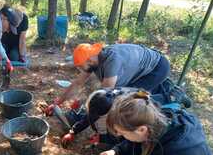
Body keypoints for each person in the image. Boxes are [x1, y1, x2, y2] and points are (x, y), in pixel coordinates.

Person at [43, 43, 191, 116]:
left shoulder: (112, 61)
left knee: (133, 98)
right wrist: (57, 103)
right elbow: (77, 84)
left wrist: (86, 110)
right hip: (141, 69)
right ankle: (162, 89)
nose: (82, 70)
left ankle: (172, 96)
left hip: (157, 67)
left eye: (82, 66)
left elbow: (106, 94)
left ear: (89, 59)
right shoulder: (94, 60)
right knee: (124, 93)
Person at [60, 87, 181, 146]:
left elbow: (125, 136)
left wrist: (103, 139)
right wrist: (73, 132)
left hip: (150, 105)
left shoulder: (127, 114)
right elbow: (88, 118)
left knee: (162, 103)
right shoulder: (100, 99)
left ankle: (175, 96)